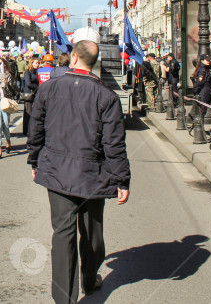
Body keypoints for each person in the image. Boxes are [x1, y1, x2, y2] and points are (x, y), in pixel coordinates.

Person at [27, 40, 130, 302]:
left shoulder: (49, 88)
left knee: (62, 235)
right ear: (93, 63)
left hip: (57, 172)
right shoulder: (106, 95)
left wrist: (34, 160)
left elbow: (36, 128)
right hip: (92, 174)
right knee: (92, 233)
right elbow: (114, 143)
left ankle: (64, 298)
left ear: (73, 58)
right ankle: (89, 279)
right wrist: (122, 179)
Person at [21, 57, 40, 137]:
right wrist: (37, 87)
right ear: (31, 63)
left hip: (35, 93)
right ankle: (27, 130)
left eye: (38, 63)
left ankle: (30, 129)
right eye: (36, 63)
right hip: (29, 94)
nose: (37, 64)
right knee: (28, 112)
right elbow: (28, 83)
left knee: (32, 111)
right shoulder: (28, 72)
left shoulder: (36, 72)